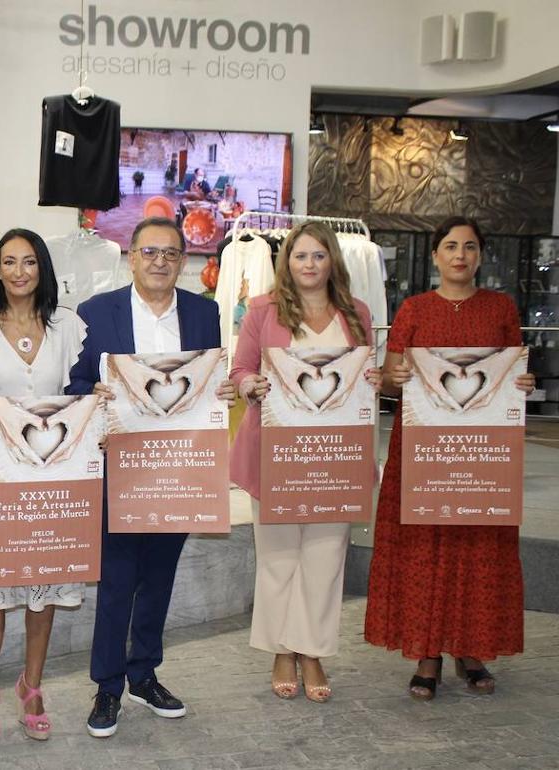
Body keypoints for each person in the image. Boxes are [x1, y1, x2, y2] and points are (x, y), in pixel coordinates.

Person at [67, 216, 233, 737]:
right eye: (149, 252)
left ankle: (144, 674)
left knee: (159, 578)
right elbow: (74, 382)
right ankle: (108, 686)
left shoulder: (204, 313)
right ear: (131, 258)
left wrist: (223, 391)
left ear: (183, 261)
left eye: (170, 253)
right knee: (117, 580)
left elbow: (209, 380)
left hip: (180, 469)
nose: (160, 261)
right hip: (120, 467)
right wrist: (91, 394)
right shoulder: (97, 313)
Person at [364, 216, 535, 700]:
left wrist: (523, 382)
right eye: (452, 246)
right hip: (423, 450)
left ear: (480, 256)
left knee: (478, 542)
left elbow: (511, 372)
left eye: (470, 247)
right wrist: (394, 375)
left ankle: (470, 648)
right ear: (437, 255)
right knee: (423, 545)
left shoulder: (501, 308)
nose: (461, 255)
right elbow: (391, 380)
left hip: (483, 451)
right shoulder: (414, 309)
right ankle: (427, 653)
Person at [228, 222, 380, 703]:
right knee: (278, 557)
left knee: (325, 557)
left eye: (318, 255)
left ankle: (311, 651)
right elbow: (240, 368)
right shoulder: (262, 309)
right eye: (300, 256)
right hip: (276, 456)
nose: (309, 264)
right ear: (286, 262)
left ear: (332, 259)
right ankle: (281, 650)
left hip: (336, 457)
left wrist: (374, 378)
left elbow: (364, 375)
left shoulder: (357, 313)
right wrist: (250, 385)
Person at [0, 228, 87, 751]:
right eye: (8, 262)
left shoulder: (70, 327)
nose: (19, 272)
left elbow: (78, 395)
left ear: (42, 267)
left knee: (41, 588)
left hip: (52, 479)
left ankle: (32, 687)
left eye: (29, 262)